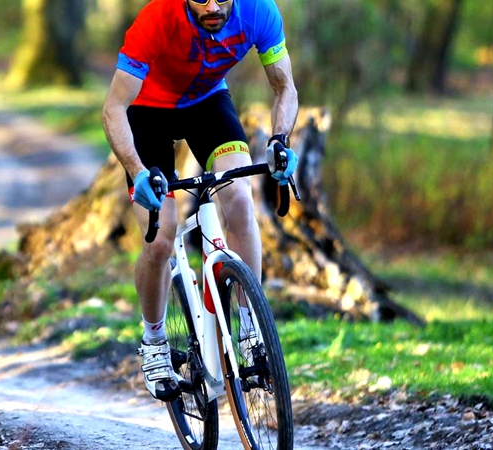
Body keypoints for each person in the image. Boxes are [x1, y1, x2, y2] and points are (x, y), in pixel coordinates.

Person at [101, 0, 299, 401]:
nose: (211, 6)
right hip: (146, 111)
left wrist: (280, 140)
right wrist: (138, 171)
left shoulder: (258, 11)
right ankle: (154, 341)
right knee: (160, 239)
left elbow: (285, 87)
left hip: (206, 103)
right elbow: (113, 109)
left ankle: (251, 330)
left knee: (239, 197)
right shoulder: (158, 17)